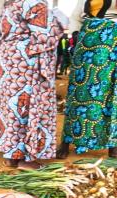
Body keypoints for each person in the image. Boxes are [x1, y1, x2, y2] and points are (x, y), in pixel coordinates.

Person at [0, 0, 67, 170]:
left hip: (9, 64)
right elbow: (45, 36)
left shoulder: (9, 5)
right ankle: (27, 159)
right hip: (27, 65)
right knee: (29, 106)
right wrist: (61, 23)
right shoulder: (34, 3)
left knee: (11, 110)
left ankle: (12, 155)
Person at [57, 0, 117, 159]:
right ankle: (66, 140)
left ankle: (112, 144)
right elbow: (76, 16)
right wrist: (76, 34)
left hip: (110, 41)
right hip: (85, 41)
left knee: (107, 92)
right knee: (78, 91)